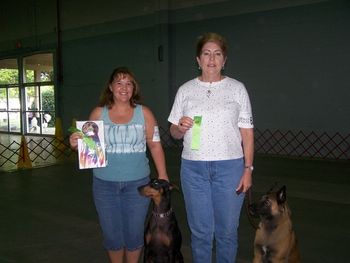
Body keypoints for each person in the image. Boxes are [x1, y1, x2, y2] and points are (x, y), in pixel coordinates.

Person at [168, 32, 254, 263]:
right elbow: (173, 132)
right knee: (201, 233)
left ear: (224, 60)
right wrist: (181, 128)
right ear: (198, 60)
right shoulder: (185, 90)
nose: (212, 59)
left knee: (227, 233)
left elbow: (247, 132)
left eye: (217, 54)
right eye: (206, 53)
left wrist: (248, 169)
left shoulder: (237, 89)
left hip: (230, 169)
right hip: (193, 170)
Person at [69, 67, 169, 263]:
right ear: (110, 87)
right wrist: (75, 144)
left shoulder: (145, 113)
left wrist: (163, 174)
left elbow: (155, 145)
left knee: (133, 234)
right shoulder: (99, 113)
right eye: (119, 83)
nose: (124, 87)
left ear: (134, 88)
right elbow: (88, 147)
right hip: (104, 185)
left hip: (138, 186)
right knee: (112, 236)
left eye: (129, 83)